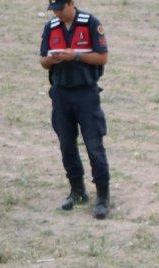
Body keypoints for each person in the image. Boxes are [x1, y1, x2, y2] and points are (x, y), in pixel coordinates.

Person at [40, 0, 111, 219]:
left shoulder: (90, 23)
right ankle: (77, 190)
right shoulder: (51, 28)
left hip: (85, 93)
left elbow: (103, 57)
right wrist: (51, 60)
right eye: (55, 10)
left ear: (71, 3)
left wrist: (76, 55)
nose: (58, 13)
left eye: (61, 8)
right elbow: (42, 60)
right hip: (61, 93)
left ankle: (102, 195)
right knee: (66, 144)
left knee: (93, 143)